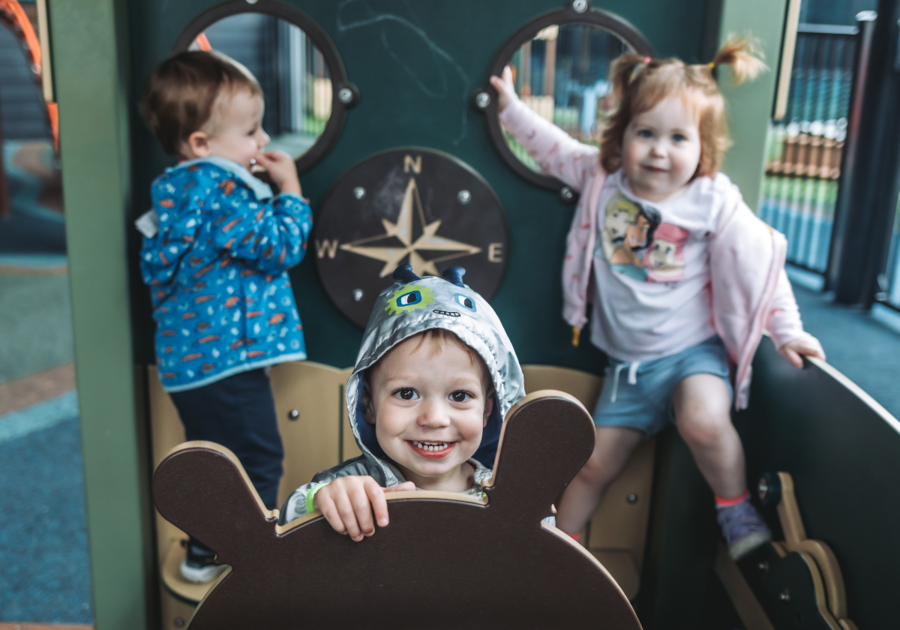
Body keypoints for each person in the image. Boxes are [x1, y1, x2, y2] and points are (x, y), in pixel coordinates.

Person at [491, 39, 825, 560]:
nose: (658, 150)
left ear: (702, 148)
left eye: (677, 138)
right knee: (593, 467)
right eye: (644, 133)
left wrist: (787, 331)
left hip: (694, 353)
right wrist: (511, 109)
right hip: (628, 368)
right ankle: (556, 558)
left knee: (704, 421)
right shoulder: (602, 179)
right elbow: (551, 147)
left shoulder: (711, 200)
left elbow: (760, 265)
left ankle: (733, 506)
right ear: (621, 134)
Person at [139, 51, 312, 581]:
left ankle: (201, 551)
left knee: (214, 462)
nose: (262, 143)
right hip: (229, 362)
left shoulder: (176, 193)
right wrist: (291, 189)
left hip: (190, 367)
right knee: (258, 460)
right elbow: (280, 247)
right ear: (201, 144)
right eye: (252, 131)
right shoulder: (223, 193)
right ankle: (245, 561)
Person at [279, 265, 526, 540]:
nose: (434, 418)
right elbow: (285, 531)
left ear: (487, 411)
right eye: (407, 393)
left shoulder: (511, 497)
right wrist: (322, 502)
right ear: (369, 405)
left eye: (459, 396)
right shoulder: (352, 489)